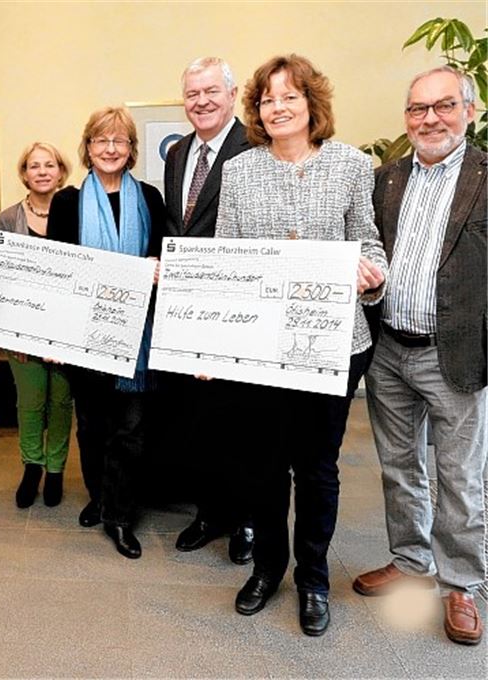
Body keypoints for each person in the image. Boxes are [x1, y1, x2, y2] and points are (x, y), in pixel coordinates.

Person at [215, 55, 387, 637]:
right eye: (267, 99)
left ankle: (313, 576)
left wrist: (371, 272)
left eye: (290, 96)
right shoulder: (239, 171)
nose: (278, 107)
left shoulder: (351, 165)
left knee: (317, 468)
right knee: (262, 466)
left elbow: (370, 241)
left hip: (334, 344)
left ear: (313, 104)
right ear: (257, 110)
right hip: (261, 347)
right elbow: (225, 260)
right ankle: (268, 568)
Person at [353, 66, 486, 646]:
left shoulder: (486, 177)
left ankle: (461, 584)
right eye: (416, 109)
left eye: (443, 106)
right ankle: (410, 562)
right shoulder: (386, 179)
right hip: (390, 349)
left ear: (470, 111)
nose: (428, 118)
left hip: (452, 352)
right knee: (400, 465)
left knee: (459, 474)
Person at [47, 106, 165, 558]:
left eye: (120, 141)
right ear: (88, 148)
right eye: (101, 140)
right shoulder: (67, 202)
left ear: (132, 150)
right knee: (92, 426)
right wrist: (53, 337)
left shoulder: (151, 199)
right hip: (83, 333)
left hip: (138, 333)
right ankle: (99, 496)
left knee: (130, 430)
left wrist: (155, 269)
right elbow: (58, 271)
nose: (111, 148)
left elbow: (160, 257)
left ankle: (119, 515)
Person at [162, 57, 255, 565]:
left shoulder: (253, 148)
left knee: (237, 419)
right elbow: (180, 225)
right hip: (186, 308)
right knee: (195, 416)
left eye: (210, 92)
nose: (200, 101)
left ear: (232, 94)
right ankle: (209, 512)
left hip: (235, 307)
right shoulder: (178, 153)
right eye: (192, 93)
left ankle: (244, 520)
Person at [0, 142, 74, 508]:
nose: (42, 171)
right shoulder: (9, 218)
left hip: (66, 329)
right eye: (33, 166)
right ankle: (32, 466)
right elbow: (3, 277)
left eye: (49, 165)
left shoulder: (74, 210)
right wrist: (15, 334)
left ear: (61, 170)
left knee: (60, 402)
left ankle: (56, 469)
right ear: (24, 173)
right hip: (22, 329)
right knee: (29, 403)